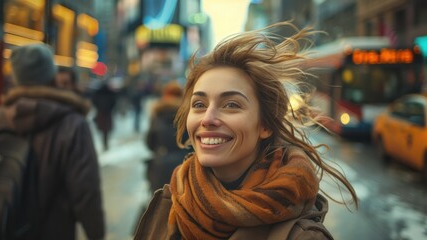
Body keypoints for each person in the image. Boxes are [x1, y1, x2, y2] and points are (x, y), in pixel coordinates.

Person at [133, 22, 358, 239]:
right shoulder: (172, 199)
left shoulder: (302, 236)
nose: (208, 119)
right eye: (199, 105)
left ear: (266, 125)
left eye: (231, 105)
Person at [0, 43, 105, 240]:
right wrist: (96, 234)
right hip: (55, 230)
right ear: (51, 76)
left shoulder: (1, 118)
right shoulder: (72, 124)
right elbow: (86, 192)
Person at [146, 80, 192, 193]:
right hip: (185, 165)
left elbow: (150, 142)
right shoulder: (189, 113)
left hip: (161, 165)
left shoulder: (157, 113)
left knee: (161, 204)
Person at [91, 78, 118, 151]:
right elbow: (114, 101)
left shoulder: (98, 92)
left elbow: (94, 101)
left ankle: (104, 143)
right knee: (105, 130)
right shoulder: (109, 92)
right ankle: (105, 143)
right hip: (106, 113)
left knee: (103, 129)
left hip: (102, 112)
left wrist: (99, 107)